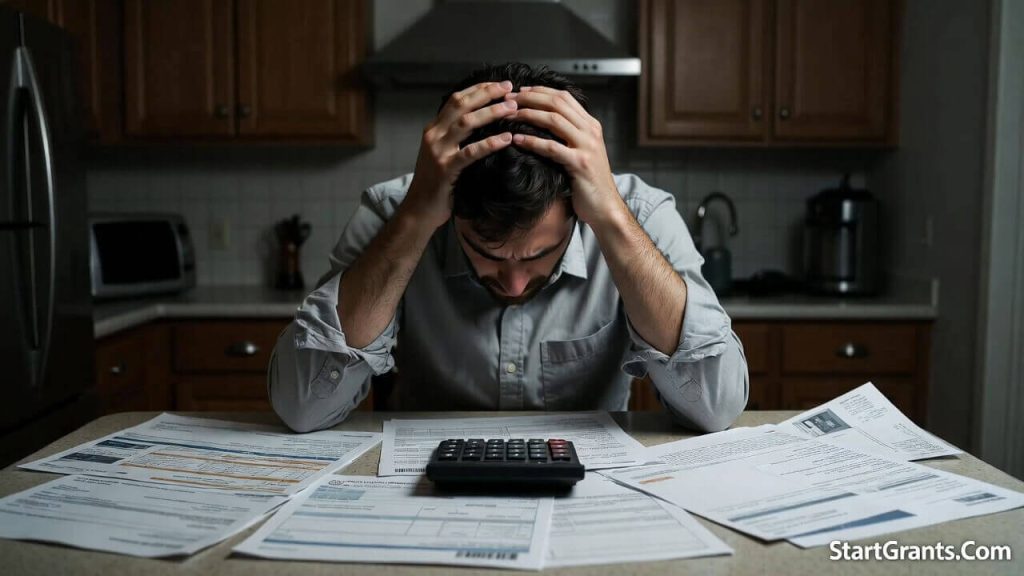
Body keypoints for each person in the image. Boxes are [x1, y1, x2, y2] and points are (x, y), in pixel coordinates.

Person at [268, 63, 748, 433]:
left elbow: (716, 408)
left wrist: (612, 220)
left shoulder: (637, 215)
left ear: (578, 210)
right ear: (452, 213)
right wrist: (415, 219)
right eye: (487, 252)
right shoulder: (394, 215)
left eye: (540, 254)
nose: (515, 283)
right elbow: (302, 408)